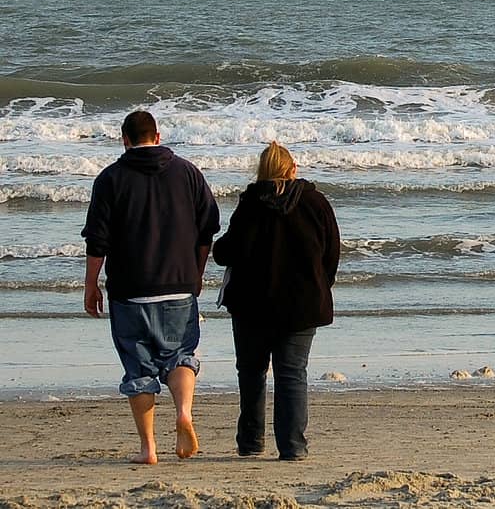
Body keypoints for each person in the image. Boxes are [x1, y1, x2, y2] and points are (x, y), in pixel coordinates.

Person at [82, 109, 220, 465]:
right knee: (181, 357)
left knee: (138, 367)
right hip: (178, 284)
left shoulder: (110, 179)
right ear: (157, 137)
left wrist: (91, 285)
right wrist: (197, 273)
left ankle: (148, 448)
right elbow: (208, 228)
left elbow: (97, 241)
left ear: (124, 139)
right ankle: (184, 413)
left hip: (129, 289)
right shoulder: (187, 172)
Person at [212, 141, 340, 461]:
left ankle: (251, 442)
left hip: (251, 305)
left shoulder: (250, 205)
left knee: (252, 372)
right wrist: (321, 285)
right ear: (292, 169)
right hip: (302, 304)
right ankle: (293, 446)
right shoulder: (316, 203)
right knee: (292, 373)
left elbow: (226, 252)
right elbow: (332, 253)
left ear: (261, 172)